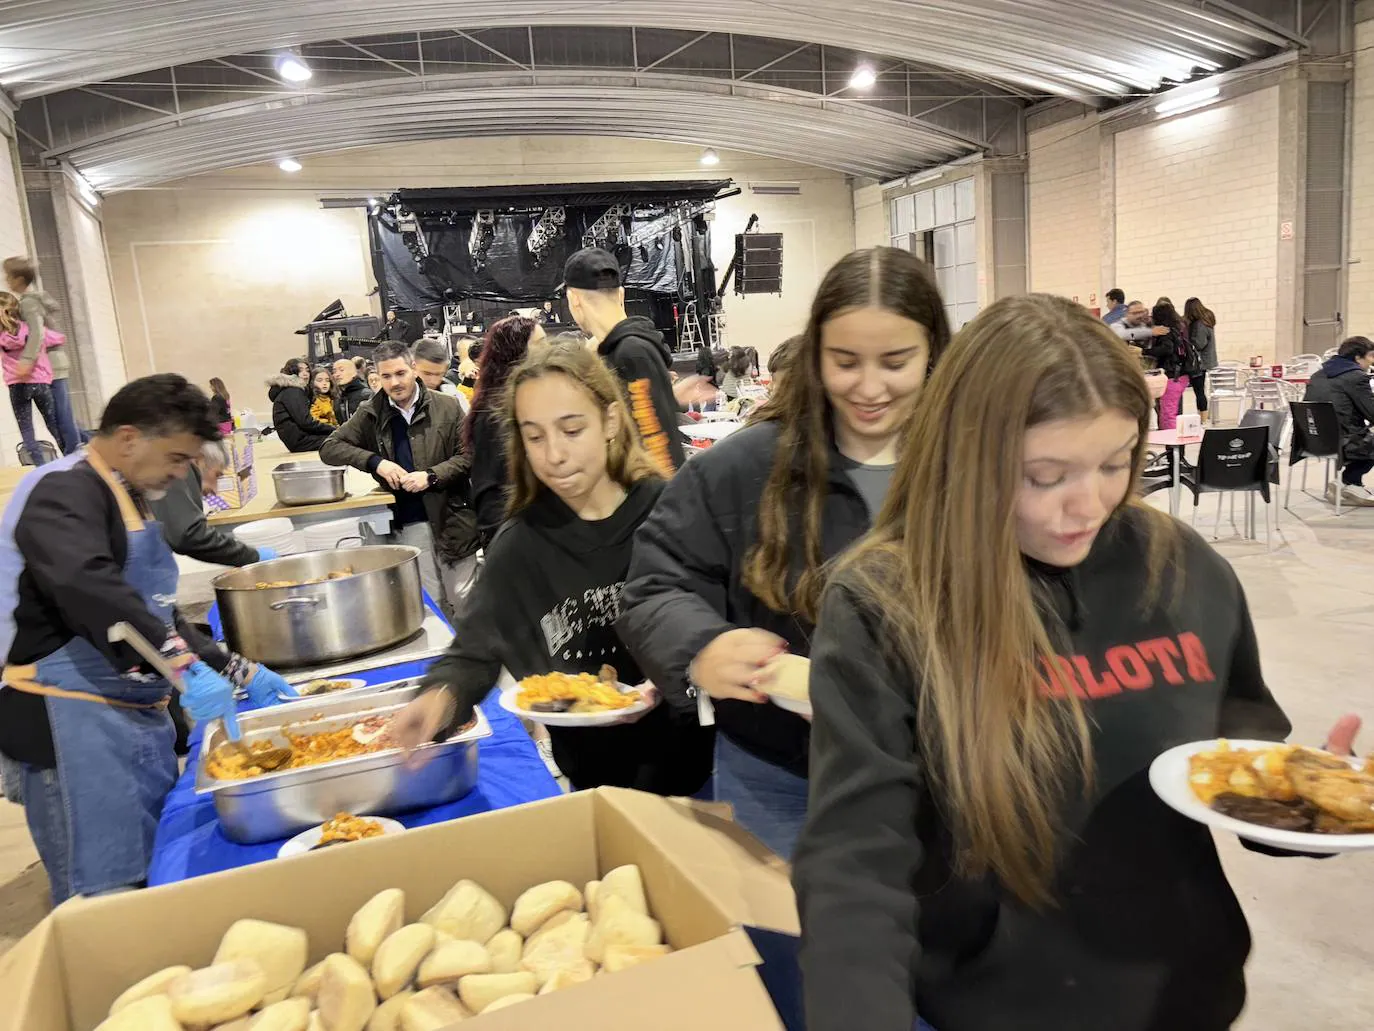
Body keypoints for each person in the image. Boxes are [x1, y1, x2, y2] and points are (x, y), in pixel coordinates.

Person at [792, 293, 1361, 1031]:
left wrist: (1321, 804)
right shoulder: (885, 603)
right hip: (994, 1008)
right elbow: (855, 860)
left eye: (1116, 462)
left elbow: (1243, 763)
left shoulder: (1183, 567)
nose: (1086, 505)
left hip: (1187, 997)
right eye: (1044, 474)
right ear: (965, 456)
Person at [619, 247, 952, 859]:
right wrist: (700, 648)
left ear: (934, 354)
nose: (870, 387)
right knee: (788, 945)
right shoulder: (742, 470)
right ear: (815, 353)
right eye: (845, 361)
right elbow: (655, 585)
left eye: (896, 361)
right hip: (781, 778)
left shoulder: (970, 467)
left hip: (942, 779)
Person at [0, 374, 296, 905]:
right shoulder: (64, 491)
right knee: (103, 898)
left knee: (150, 878)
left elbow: (153, 609)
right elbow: (91, 590)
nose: (181, 473)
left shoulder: (130, 496)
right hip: (72, 726)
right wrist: (182, 670)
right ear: (131, 438)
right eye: (178, 458)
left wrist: (236, 669)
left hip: (131, 718)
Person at [392, 343, 715, 793]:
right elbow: (476, 650)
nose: (554, 455)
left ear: (610, 422)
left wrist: (671, 680)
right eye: (535, 436)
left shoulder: (671, 516)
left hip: (700, 772)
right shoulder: (520, 545)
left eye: (572, 429)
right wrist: (439, 699)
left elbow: (718, 630)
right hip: (597, 783)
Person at [321, 342, 478, 615]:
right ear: (376, 377)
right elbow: (330, 448)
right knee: (430, 603)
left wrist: (431, 477)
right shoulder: (370, 412)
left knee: (466, 600)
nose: (395, 382)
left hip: (452, 517)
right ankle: (444, 656)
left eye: (401, 373)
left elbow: (469, 456)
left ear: (414, 369)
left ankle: (478, 655)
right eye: (386, 376)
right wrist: (376, 462)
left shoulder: (447, 407)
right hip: (411, 521)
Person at [563, 247, 712, 473]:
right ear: (621, 295)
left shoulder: (629, 353)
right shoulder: (622, 350)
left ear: (573, 299)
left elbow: (655, 446)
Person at [465, 316, 546, 546]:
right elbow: (490, 485)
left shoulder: (527, 400)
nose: (548, 351)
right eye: (540, 345)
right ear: (516, 353)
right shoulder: (494, 412)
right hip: (512, 533)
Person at [150, 439, 275, 568]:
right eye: (217, 475)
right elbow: (190, 536)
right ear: (200, 459)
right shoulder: (172, 467)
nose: (215, 490)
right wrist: (252, 556)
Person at [3, 257, 81, 454]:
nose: (6, 280)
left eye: (8, 276)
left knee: (61, 418)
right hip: (51, 363)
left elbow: (36, 333)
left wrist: (26, 360)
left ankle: (75, 456)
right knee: (60, 417)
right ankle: (87, 447)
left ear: (18, 279)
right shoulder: (34, 299)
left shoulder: (28, 303)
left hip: (50, 365)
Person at [1304, 335, 1374, 506]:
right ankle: (1350, 482)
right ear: (1358, 357)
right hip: (1343, 441)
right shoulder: (1356, 377)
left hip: (1312, 440)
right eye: (1371, 356)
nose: (1372, 362)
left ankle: (1346, 482)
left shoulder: (1318, 375)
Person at [0, 292, 62, 465]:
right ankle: (68, 458)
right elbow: (55, 337)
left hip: (17, 386)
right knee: (53, 424)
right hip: (40, 382)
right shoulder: (31, 329)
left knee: (27, 430)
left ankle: (40, 466)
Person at [267, 358, 335, 452]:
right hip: (301, 441)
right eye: (300, 370)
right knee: (341, 439)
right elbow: (306, 422)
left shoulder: (292, 390)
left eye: (307, 370)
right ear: (291, 372)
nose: (305, 373)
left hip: (299, 439)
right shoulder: (293, 391)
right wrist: (334, 429)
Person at [1148, 300, 1190, 430]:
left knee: (1168, 415)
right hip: (1181, 375)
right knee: (1172, 413)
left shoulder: (1165, 332)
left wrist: (1144, 351)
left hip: (1172, 375)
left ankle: (1173, 447)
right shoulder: (1178, 329)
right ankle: (1174, 448)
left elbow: (1166, 349)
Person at [1184, 297, 1218, 422]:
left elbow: (1199, 343)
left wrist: (1187, 342)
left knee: (1199, 391)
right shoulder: (1207, 321)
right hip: (1207, 360)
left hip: (1200, 363)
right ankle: (1202, 416)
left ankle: (1202, 419)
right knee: (1200, 391)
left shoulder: (1199, 325)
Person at [331, 356, 372, 423]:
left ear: (354, 373)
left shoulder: (366, 395)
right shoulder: (338, 399)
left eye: (341, 370)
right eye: (334, 371)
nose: (337, 374)